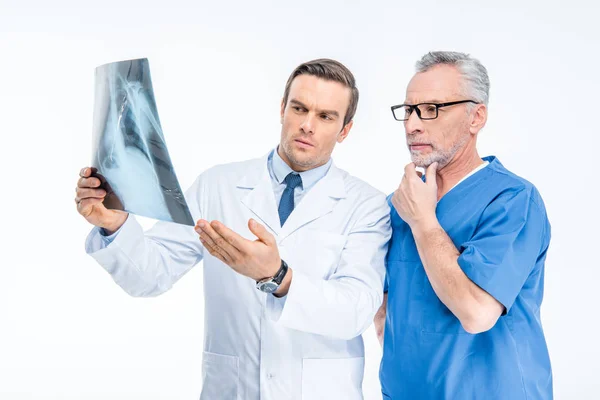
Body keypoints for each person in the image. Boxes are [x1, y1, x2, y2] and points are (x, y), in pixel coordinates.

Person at [75, 58, 391, 400]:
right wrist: (115, 225)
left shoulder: (366, 205)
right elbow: (150, 275)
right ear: (282, 108)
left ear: (345, 130)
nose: (307, 125)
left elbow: (355, 310)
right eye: (299, 108)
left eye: (326, 116)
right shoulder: (217, 185)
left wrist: (278, 275)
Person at [374, 51, 552, 399]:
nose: (413, 125)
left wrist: (424, 222)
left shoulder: (512, 200)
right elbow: (384, 314)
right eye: (409, 110)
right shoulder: (397, 207)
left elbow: (476, 312)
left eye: (432, 109)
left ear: (476, 116)